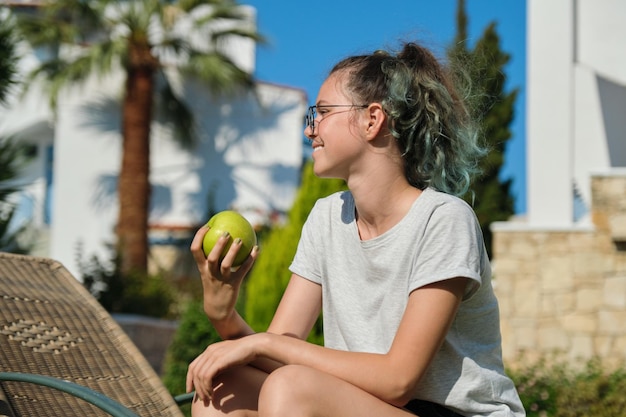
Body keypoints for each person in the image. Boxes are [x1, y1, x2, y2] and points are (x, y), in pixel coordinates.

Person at [186, 41, 526, 417]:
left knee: (291, 388)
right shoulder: (326, 218)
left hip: (451, 413)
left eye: (324, 112)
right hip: (367, 405)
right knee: (221, 390)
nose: (309, 129)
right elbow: (275, 351)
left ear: (372, 118)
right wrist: (222, 314)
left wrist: (265, 345)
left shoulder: (443, 219)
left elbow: (398, 381)